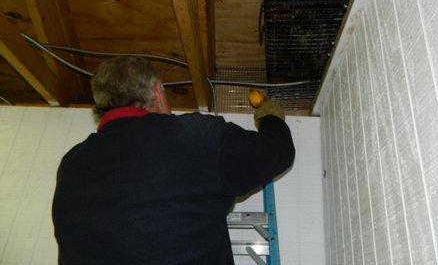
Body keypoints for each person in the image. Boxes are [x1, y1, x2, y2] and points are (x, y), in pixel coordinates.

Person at [52, 56, 294, 265]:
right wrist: (270, 117)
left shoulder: (71, 166)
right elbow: (277, 152)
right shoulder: (193, 137)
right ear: (158, 92)